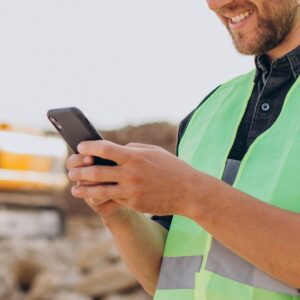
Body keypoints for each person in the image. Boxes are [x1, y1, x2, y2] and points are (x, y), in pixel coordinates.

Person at [67, 0, 300, 299]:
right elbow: (168, 279)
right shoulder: (211, 109)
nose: (217, 4)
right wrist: (117, 213)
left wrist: (192, 194)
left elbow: (197, 199)